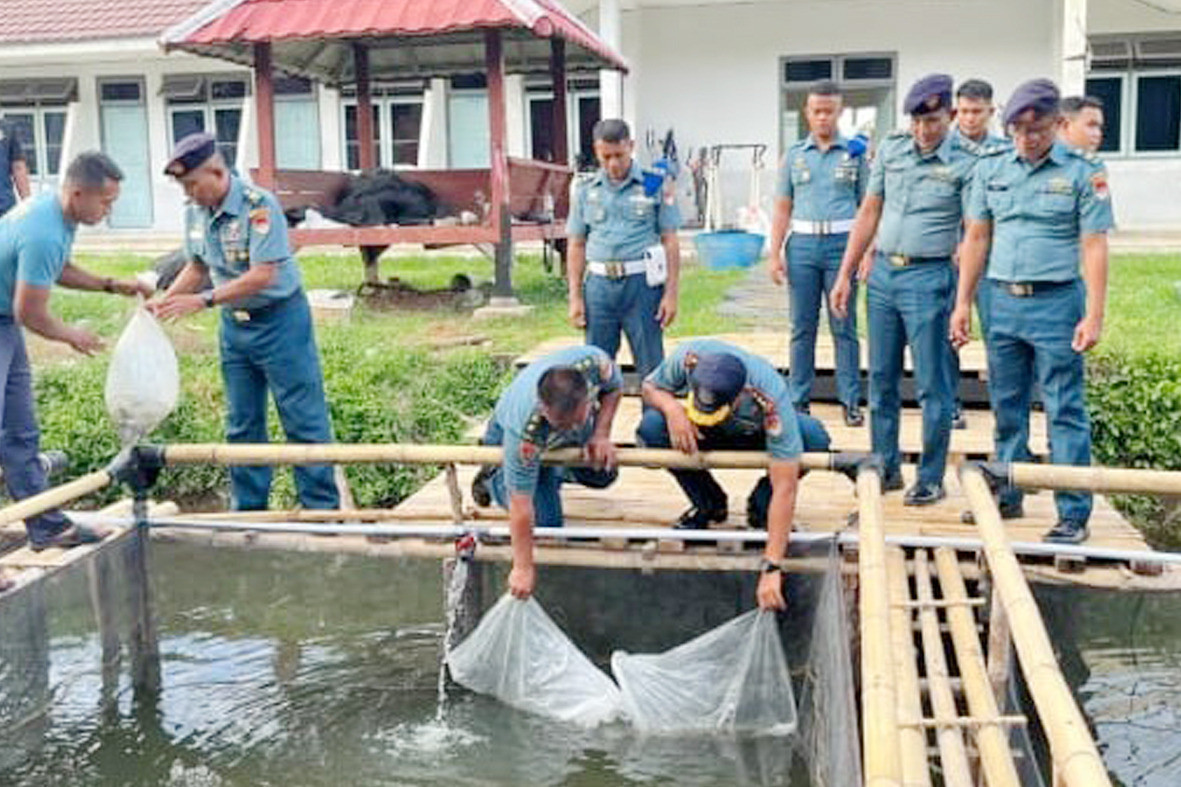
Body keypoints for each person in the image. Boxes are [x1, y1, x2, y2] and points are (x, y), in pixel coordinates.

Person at [952, 79, 1113, 544]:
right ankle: (1007, 492)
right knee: (1006, 405)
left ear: (1057, 125)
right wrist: (963, 303)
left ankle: (1072, 512)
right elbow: (976, 237)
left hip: (1057, 303)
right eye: (1017, 129)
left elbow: (1094, 245)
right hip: (1000, 302)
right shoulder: (992, 167)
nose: (1027, 138)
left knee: (1064, 407)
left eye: (1037, 128)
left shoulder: (1084, 172)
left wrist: (1095, 315)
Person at [151, 132, 339, 512]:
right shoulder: (195, 213)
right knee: (242, 422)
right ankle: (250, 510)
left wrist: (202, 300)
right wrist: (166, 302)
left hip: (280, 322)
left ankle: (322, 511)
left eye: (192, 185)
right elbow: (198, 265)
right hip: (235, 328)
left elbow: (262, 275)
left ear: (217, 172)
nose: (189, 194)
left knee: (302, 419)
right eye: (182, 187)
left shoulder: (259, 206)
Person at [832, 74, 981, 506]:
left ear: (950, 116)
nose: (923, 131)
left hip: (930, 278)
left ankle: (931, 476)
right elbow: (869, 211)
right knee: (880, 378)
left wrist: (964, 300)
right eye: (916, 122)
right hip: (882, 278)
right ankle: (886, 465)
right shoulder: (893, 149)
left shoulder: (967, 161)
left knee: (933, 384)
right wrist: (845, 273)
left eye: (932, 121)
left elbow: (975, 232)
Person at [0, 151, 151, 564]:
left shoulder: (57, 212)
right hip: (6, 319)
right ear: (79, 193)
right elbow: (29, 312)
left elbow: (55, 267)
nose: (109, 210)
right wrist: (72, 335)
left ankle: (47, 528)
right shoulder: (44, 228)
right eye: (105, 202)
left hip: (4, 324)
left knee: (20, 433)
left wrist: (108, 284)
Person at [636, 339, 831, 610]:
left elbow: (785, 486)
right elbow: (649, 387)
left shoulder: (770, 397)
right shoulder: (688, 357)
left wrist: (772, 566)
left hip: (753, 432)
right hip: (698, 431)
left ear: (739, 396)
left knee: (813, 438)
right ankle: (708, 504)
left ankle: (761, 507)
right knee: (652, 428)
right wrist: (673, 411)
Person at [471, 346, 622, 599]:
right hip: (511, 435)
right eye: (564, 423)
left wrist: (600, 434)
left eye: (577, 419)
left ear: (587, 399)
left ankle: (553, 470)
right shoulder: (526, 432)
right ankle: (493, 480)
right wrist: (522, 567)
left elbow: (614, 389)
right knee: (547, 526)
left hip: (559, 433)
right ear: (543, 409)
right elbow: (521, 505)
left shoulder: (595, 364)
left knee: (604, 472)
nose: (572, 427)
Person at [768, 80, 867, 427]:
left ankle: (851, 399)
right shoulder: (795, 156)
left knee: (844, 324)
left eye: (829, 111)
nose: (823, 118)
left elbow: (868, 206)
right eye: (816, 111)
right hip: (803, 247)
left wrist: (866, 253)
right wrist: (774, 252)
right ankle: (798, 399)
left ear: (839, 112)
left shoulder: (855, 153)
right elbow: (782, 206)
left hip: (843, 246)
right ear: (807, 113)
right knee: (802, 326)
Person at [566, 119, 681, 383]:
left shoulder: (654, 184)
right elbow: (577, 244)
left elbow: (670, 240)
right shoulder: (585, 190)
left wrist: (671, 294)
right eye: (606, 157)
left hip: (640, 285)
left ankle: (652, 424)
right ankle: (595, 425)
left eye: (619, 155)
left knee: (651, 367)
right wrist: (574, 297)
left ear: (631, 146)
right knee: (594, 367)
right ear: (596, 151)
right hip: (599, 288)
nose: (613, 164)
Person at [948, 79, 1011, 428]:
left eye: (977, 112)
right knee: (949, 333)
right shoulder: (942, 147)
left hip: (989, 257)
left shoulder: (1004, 151)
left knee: (997, 334)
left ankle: (1003, 405)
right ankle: (952, 403)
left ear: (991, 111)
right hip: (945, 255)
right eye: (964, 111)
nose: (970, 119)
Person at [0, 117, 31, 219]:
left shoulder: (8, 128)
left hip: (5, 207)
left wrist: (28, 204)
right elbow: (18, 167)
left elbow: (18, 167)